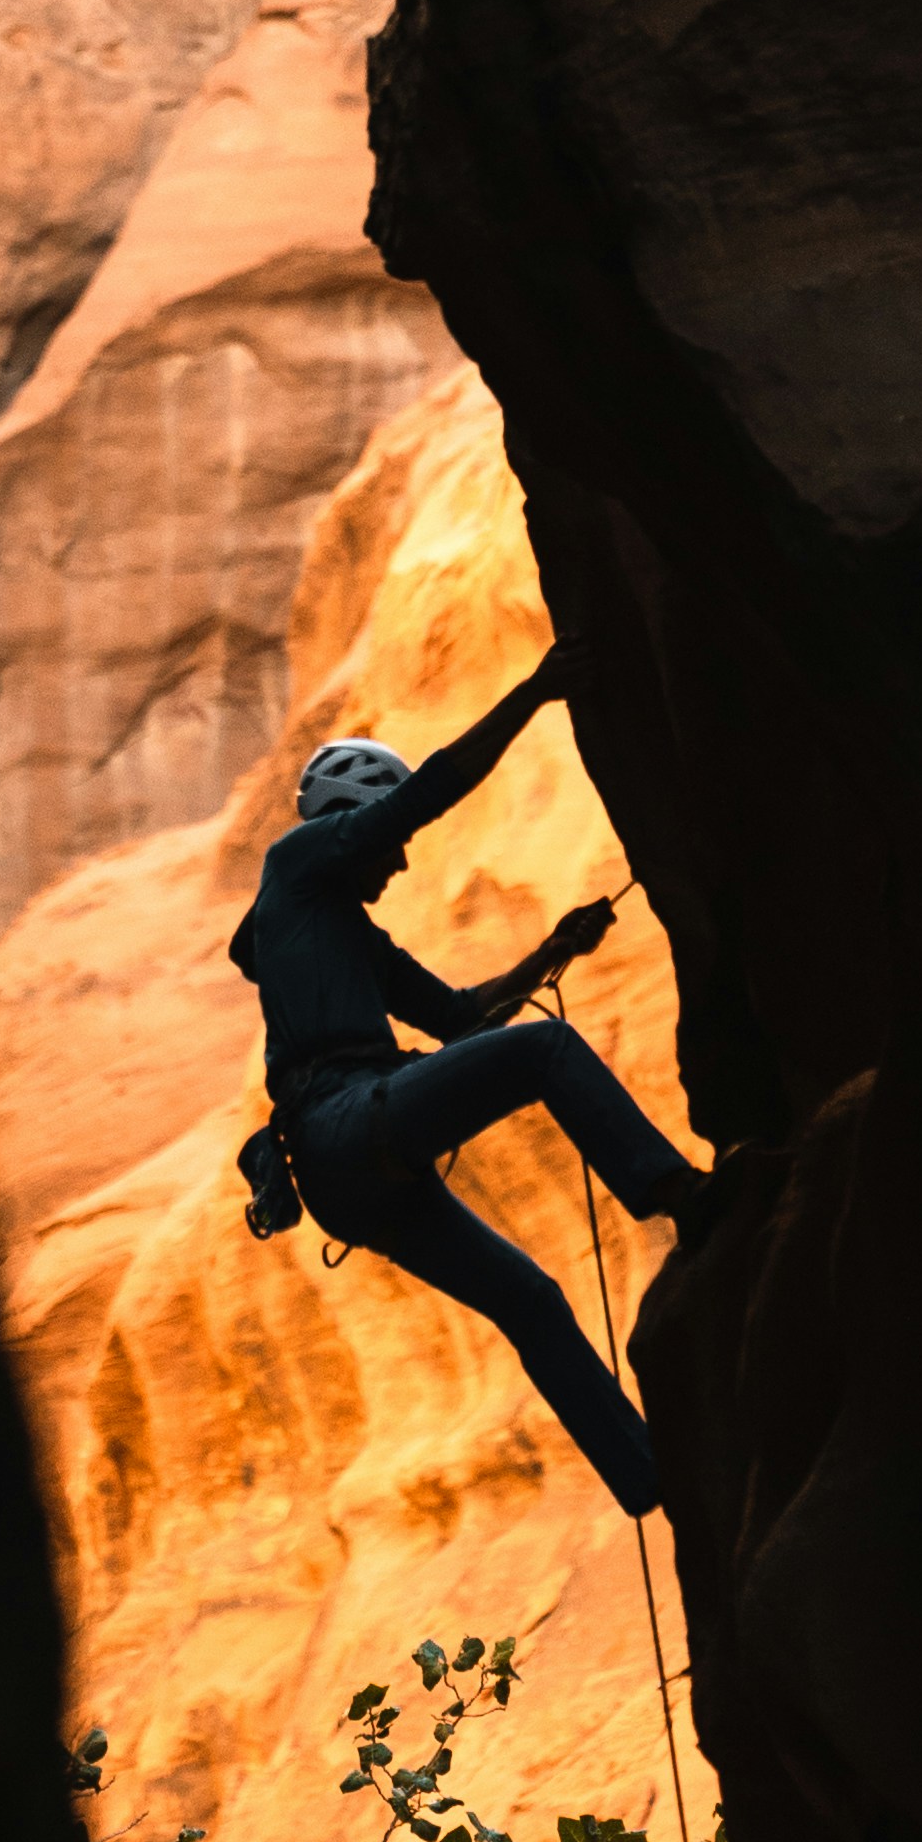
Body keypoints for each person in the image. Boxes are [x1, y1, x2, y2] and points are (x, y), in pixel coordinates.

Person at [227, 642, 704, 1517]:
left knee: (530, 1298)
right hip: (342, 1122)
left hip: (347, 1163)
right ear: (349, 817)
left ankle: (652, 1482)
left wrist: (554, 949)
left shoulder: (340, 933)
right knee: (545, 1052)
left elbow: (455, 1018)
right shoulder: (296, 866)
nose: (400, 860)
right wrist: (534, 690)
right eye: (387, 836)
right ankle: (680, 1195)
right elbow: (430, 790)